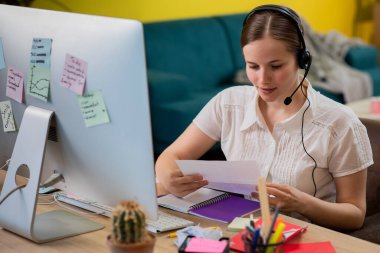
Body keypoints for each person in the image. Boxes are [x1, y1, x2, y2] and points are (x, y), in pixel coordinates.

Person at [155, 4, 373, 230]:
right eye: (253, 66)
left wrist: (303, 203)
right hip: (236, 229)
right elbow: (172, 154)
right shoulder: (228, 103)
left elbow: (354, 213)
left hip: (304, 236)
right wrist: (168, 176)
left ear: (301, 60)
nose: (263, 79)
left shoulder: (340, 124)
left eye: (276, 66)